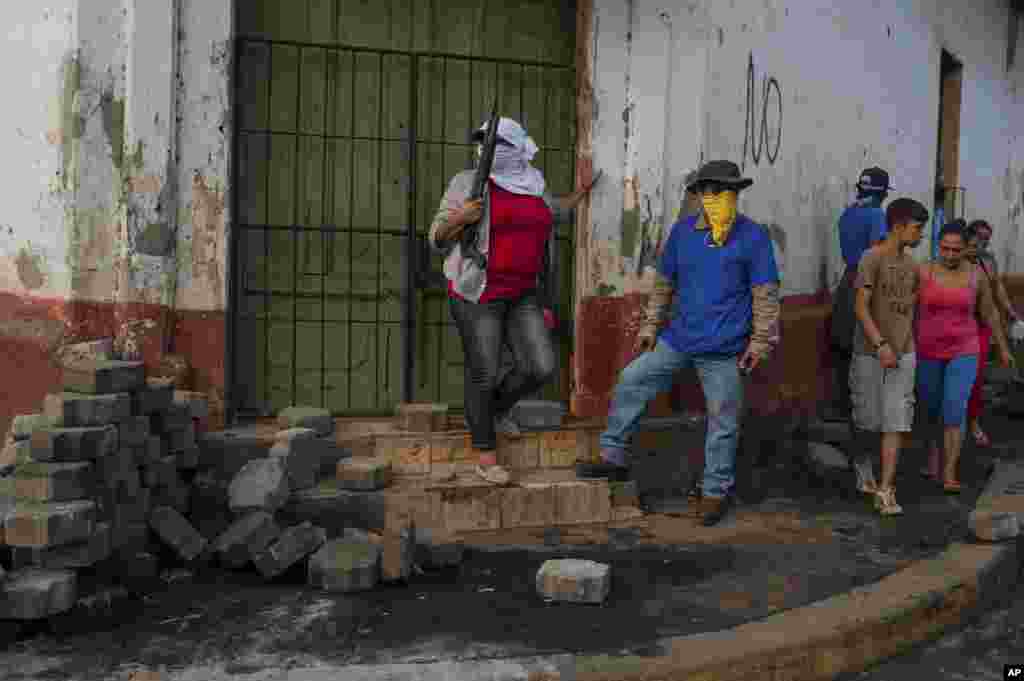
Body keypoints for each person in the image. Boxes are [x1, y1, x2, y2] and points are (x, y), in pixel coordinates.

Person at [576, 160, 781, 527]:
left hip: (724, 348)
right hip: (679, 339)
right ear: (699, 194)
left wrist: (760, 342)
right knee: (633, 379)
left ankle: (715, 492)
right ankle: (613, 455)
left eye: (726, 191)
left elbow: (764, 293)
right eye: (710, 190)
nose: (717, 197)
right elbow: (664, 285)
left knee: (724, 419)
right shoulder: (683, 233)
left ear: (736, 194)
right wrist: (650, 327)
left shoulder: (753, 237)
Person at [429, 117, 600, 485]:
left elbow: (555, 211)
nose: (487, 152)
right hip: (479, 291)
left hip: (522, 293)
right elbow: (437, 236)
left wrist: (583, 191)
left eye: (498, 145)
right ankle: (486, 456)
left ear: (520, 148)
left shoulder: (533, 187)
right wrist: (461, 217)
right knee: (484, 372)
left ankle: (492, 412)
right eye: (483, 144)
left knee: (540, 366)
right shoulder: (468, 183)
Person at [915, 221, 1014, 494]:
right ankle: (932, 455)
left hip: (964, 350)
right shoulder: (923, 272)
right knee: (930, 408)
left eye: (955, 250)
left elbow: (989, 312)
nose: (949, 255)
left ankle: (949, 473)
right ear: (938, 247)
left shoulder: (976, 275)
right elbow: (907, 309)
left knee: (954, 408)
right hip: (928, 351)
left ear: (964, 249)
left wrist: (1003, 347)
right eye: (944, 249)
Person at [850, 198, 928, 516]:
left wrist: (904, 347)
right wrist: (880, 344)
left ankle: (886, 489)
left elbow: (910, 311)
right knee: (868, 420)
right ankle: (862, 461)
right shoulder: (871, 258)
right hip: (870, 352)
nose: (921, 235)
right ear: (898, 226)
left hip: (904, 353)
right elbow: (860, 307)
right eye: (917, 228)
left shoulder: (913, 266)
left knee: (896, 421)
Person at [829, 167, 893, 420]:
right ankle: (866, 407)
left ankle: (843, 405)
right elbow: (878, 254)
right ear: (882, 194)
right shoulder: (878, 216)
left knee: (844, 341)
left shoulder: (848, 213)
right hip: (869, 280)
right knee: (868, 341)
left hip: (848, 279)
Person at [964, 219, 1020, 447]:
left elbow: (997, 287)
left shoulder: (988, 260)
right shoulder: (957, 258)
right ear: (969, 236)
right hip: (958, 325)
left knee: (976, 378)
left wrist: (1010, 312)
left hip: (981, 325)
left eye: (987, 238)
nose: (983, 242)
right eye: (979, 237)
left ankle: (973, 421)